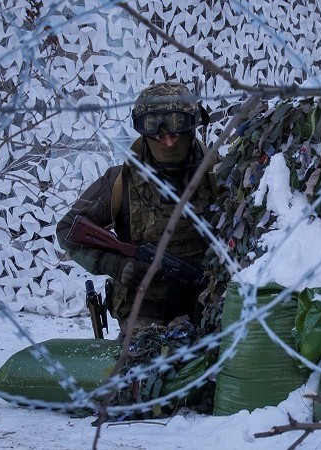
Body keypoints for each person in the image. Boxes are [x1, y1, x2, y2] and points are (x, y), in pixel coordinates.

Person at [56, 81, 214, 337]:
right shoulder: (121, 182)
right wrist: (113, 264)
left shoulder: (217, 177)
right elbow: (67, 230)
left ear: (192, 129)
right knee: (149, 363)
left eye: (176, 132)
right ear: (144, 133)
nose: (169, 142)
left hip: (206, 301)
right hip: (144, 308)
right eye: (158, 134)